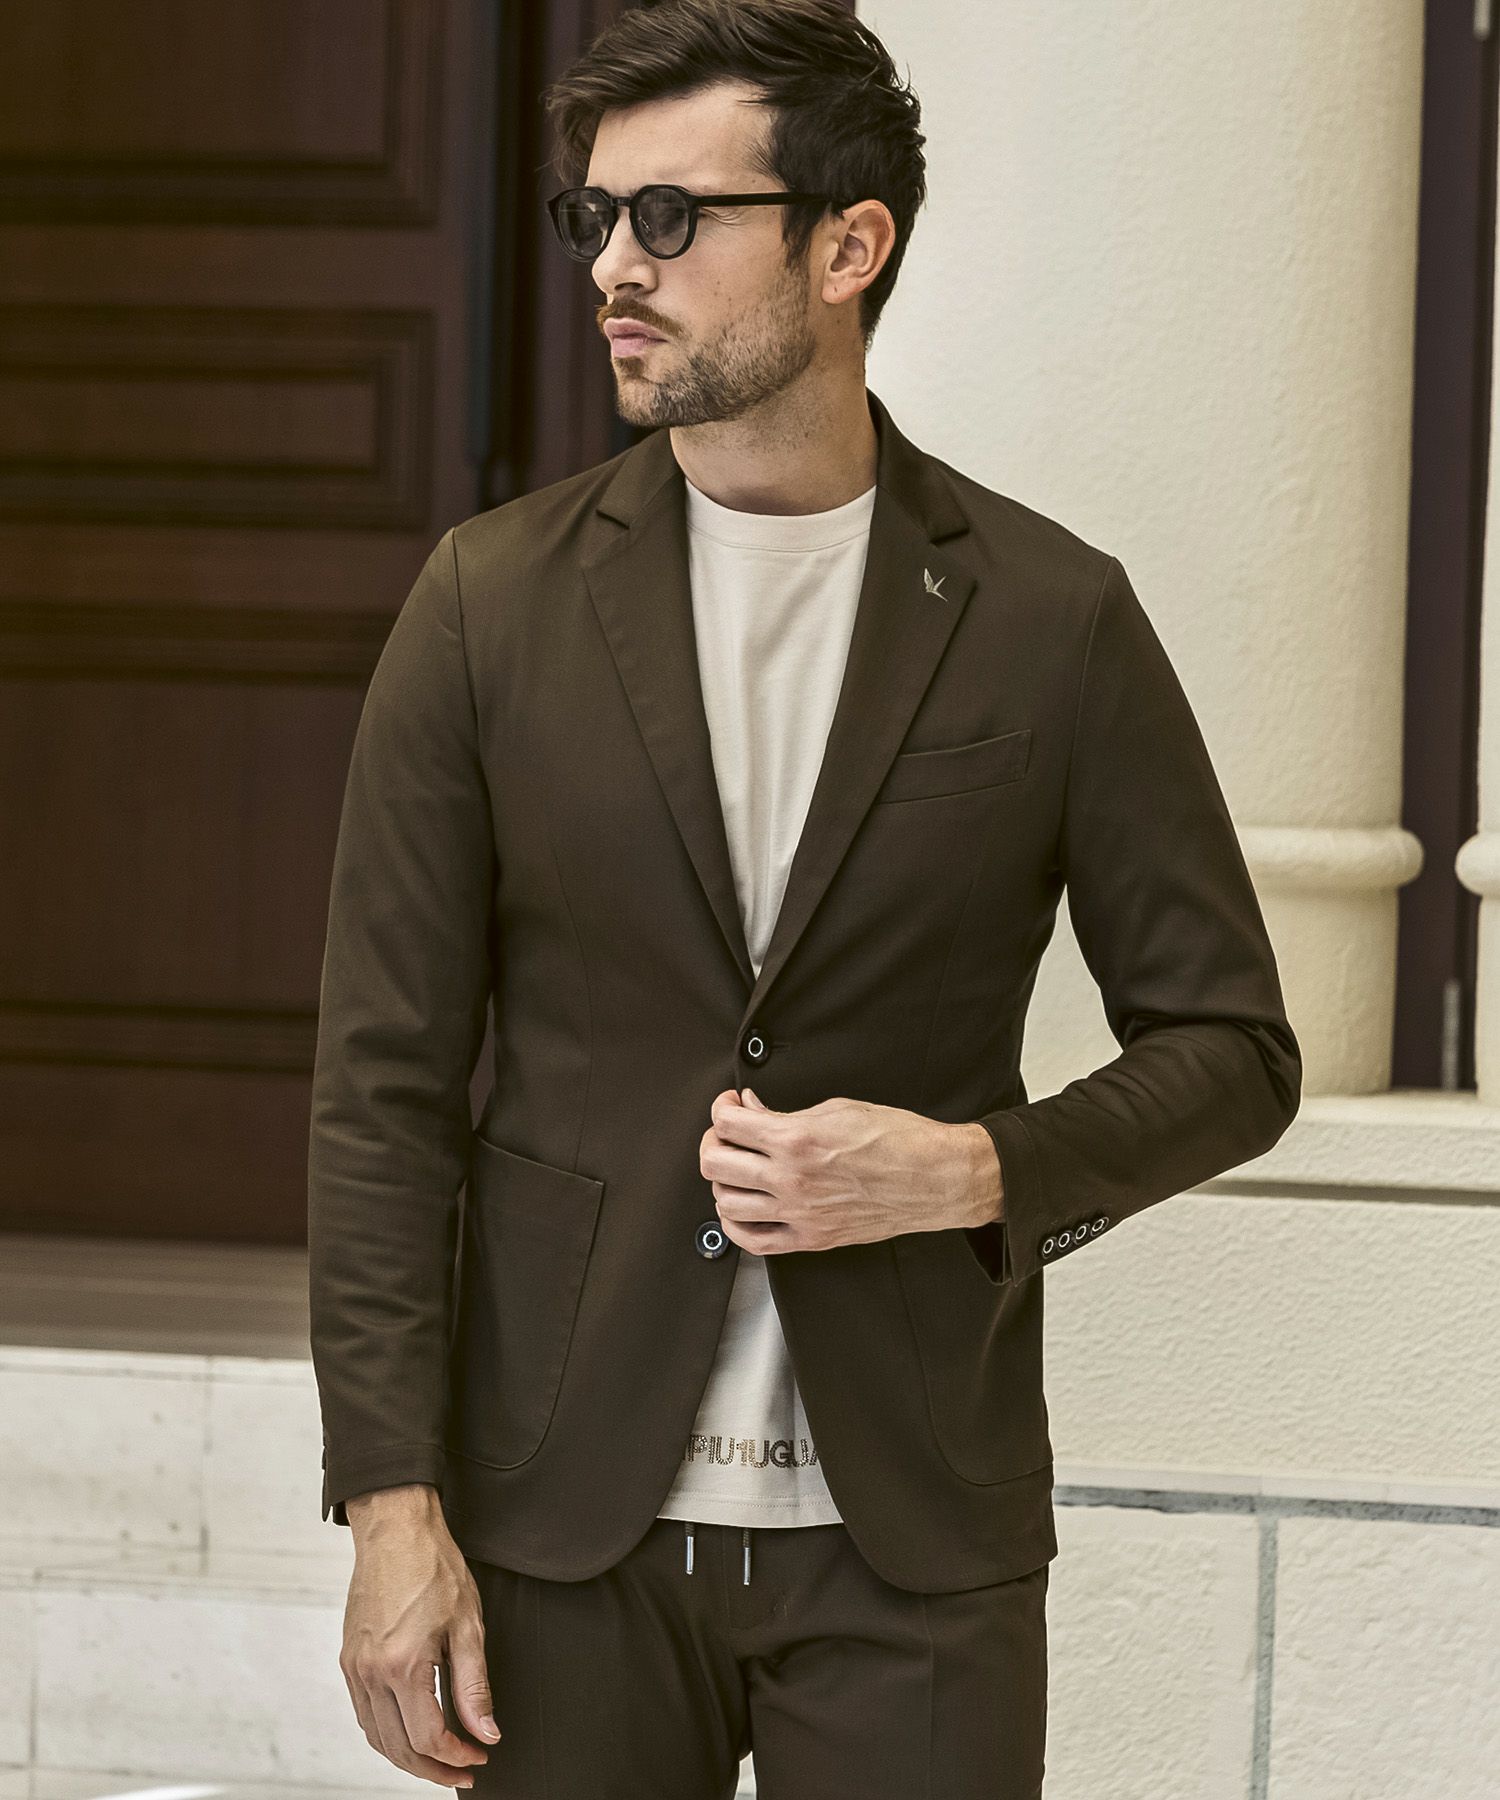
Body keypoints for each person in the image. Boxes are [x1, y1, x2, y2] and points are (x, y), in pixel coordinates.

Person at [307, 3, 1302, 1796]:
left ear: (849, 246)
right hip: (562, 1528)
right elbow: (381, 1093)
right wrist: (393, 1507)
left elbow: (1233, 1051)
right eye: (596, 217)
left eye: (673, 217)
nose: (614, 266)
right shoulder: (486, 605)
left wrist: (974, 1170)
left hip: (914, 1537)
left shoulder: (1052, 618)